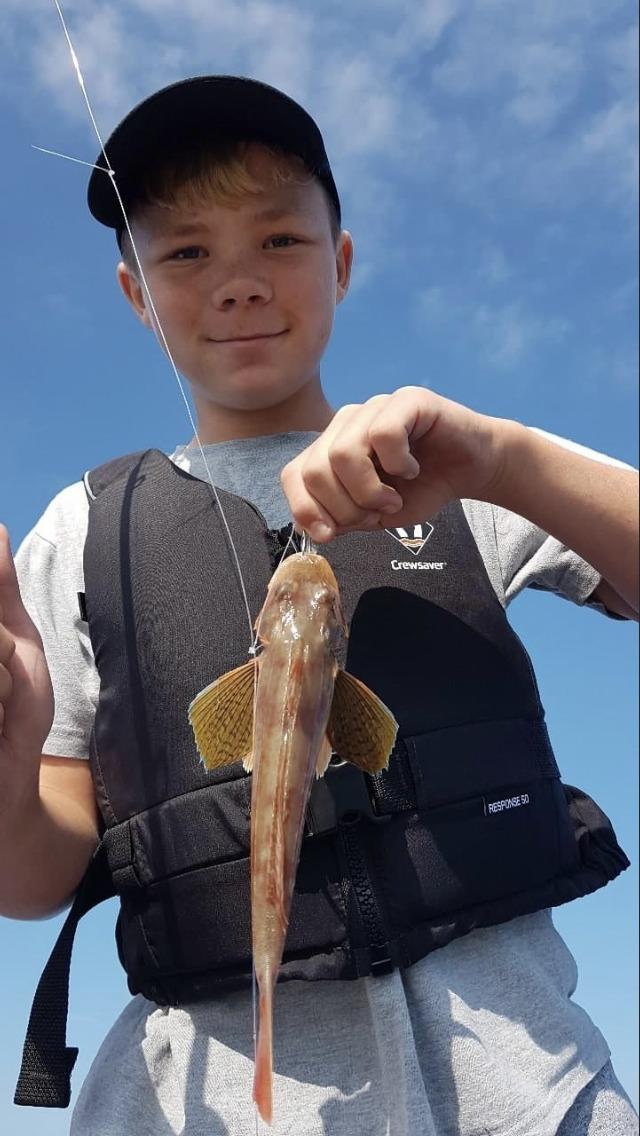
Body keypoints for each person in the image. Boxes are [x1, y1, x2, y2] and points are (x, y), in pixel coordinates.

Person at [1, 75, 638, 1136]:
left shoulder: (448, 462)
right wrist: (11, 753)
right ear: (133, 293)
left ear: (341, 263)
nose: (239, 283)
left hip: (529, 1092)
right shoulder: (81, 531)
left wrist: (501, 455)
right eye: (187, 252)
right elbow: (31, 876)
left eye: (279, 242)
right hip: (193, 1108)